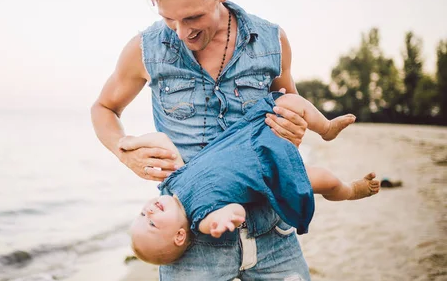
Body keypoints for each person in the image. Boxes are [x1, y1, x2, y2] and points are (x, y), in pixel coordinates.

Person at [92, 0, 325, 281]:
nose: (181, 32)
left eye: (193, 17)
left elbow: (289, 102)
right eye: (169, 18)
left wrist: (295, 128)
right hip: (191, 241)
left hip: (274, 232)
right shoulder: (144, 48)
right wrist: (123, 149)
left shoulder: (272, 40)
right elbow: (103, 108)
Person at [122, 91, 380, 265]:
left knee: (288, 101)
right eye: (153, 224)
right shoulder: (200, 217)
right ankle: (351, 190)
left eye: (142, 215)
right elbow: (231, 211)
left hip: (251, 135)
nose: (148, 212)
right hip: (271, 174)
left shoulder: (172, 184)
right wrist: (225, 219)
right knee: (325, 179)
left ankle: (326, 127)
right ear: (179, 236)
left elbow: (163, 140)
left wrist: (131, 141)